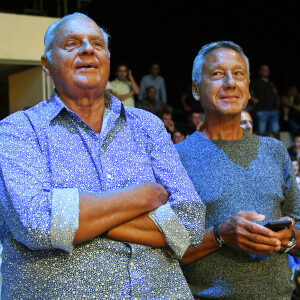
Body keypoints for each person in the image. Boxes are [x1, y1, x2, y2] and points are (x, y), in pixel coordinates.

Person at [0, 13, 206, 299]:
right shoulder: (18, 130)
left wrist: (84, 217)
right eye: (72, 43)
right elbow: (37, 224)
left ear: (107, 58)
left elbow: (190, 224)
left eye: (97, 43)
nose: (88, 49)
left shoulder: (147, 125)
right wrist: (141, 198)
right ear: (47, 64)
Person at [175, 41, 300, 299]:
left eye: (239, 73)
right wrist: (221, 235)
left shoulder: (275, 151)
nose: (230, 82)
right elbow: (166, 247)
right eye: (217, 74)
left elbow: (298, 227)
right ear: (196, 90)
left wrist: (288, 239)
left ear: (247, 87)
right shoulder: (178, 157)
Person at [250, 64, 280, 137]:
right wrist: (253, 99)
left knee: (275, 131)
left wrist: (277, 108)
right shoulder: (256, 82)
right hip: (261, 110)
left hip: (272, 110)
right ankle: (262, 148)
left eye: (267, 70)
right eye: (264, 70)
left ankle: (276, 148)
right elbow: (247, 91)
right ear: (260, 72)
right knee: (261, 131)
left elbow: (276, 96)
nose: (266, 71)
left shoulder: (271, 83)